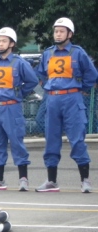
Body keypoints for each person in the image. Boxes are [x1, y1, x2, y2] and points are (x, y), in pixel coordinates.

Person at [36, 17, 98, 193]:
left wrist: (81, 89)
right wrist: (49, 86)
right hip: (52, 99)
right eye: (56, 31)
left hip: (72, 99)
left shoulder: (78, 53)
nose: (58, 34)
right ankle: (51, 181)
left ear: (70, 34)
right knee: (51, 139)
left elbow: (92, 74)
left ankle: (85, 180)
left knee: (77, 139)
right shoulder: (48, 53)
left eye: (61, 31)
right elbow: (41, 72)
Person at [0, 27, 39, 191]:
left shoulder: (19, 62)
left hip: (12, 108)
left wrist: (18, 93)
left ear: (12, 44)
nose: (0, 44)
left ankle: (23, 178)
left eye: (4, 41)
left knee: (16, 142)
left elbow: (32, 80)